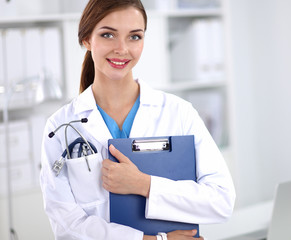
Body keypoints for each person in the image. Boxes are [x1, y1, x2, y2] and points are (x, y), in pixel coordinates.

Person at [39, 0, 236, 239]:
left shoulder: (179, 113)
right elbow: (67, 226)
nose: (122, 49)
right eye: (108, 35)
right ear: (87, 39)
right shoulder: (60, 128)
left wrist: (144, 184)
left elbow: (222, 200)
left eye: (134, 37)